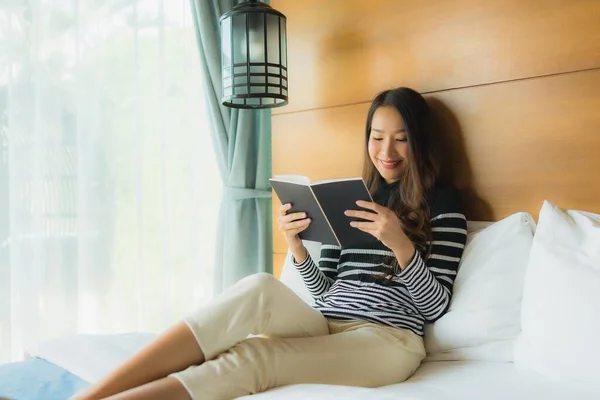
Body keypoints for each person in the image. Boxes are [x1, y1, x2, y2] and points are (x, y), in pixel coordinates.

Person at [72, 87, 467, 400]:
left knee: (253, 357)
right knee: (260, 286)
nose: (386, 151)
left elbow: (436, 306)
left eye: (400, 139)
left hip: (386, 339)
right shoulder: (353, 196)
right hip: (325, 323)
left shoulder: (444, 202)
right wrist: (296, 247)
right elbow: (324, 291)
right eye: (377, 137)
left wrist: (400, 244)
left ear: (420, 142)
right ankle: (93, 395)